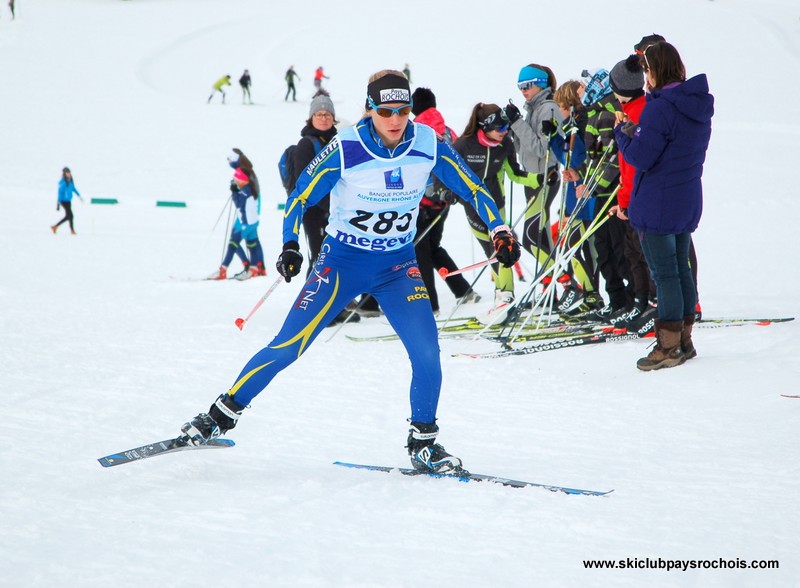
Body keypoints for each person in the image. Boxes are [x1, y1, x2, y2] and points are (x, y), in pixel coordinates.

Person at [181, 70, 521, 474]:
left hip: (398, 268)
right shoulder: (346, 146)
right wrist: (290, 244)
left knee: (428, 354)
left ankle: (423, 443)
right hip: (342, 264)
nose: (395, 120)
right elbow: (299, 197)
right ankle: (219, 416)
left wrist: (500, 230)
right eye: (385, 111)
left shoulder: (428, 143)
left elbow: (473, 189)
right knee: (289, 346)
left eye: (403, 110)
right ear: (369, 109)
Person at [614, 41, 713, 370]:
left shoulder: (660, 107)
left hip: (659, 200)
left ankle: (668, 347)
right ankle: (684, 341)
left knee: (665, 273)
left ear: (657, 70)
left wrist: (623, 136)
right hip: (685, 196)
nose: (645, 80)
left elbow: (642, 156)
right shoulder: (694, 103)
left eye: (647, 71)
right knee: (680, 269)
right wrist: (638, 134)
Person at [452, 103, 542, 324]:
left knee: (502, 249)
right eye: (499, 128)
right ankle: (503, 297)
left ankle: (505, 298)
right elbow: (447, 172)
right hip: (472, 207)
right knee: (492, 252)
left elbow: (515, 173)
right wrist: (445, 192)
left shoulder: (505, 144)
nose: (504, 132)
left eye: (506, 128)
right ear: (485, 127)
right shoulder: (464, 145)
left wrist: (538, 178)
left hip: (496, 205)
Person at [410, 86, 479, 315]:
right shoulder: (447, 130)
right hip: (444, 201)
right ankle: (463, 291)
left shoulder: (415, 130)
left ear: (414, 108)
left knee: (420, 250)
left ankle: (430, 306)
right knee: (433, 247)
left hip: (421, 202)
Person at [503, 64, 566, 307]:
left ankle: (567, 281)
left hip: (545, 179)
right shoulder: (534, 109)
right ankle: (551, 291)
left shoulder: (548, 108)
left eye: (526, 86)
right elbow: (525, 150)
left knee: (530, 237)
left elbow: (542, 148)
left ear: (540, 83)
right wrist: (512, 127)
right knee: (540, 237)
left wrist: (518, 123)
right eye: (520, 87)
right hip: (533, 179)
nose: (523, 91)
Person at [607, 55, 658, 326]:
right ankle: (641, 300)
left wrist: (624, 200)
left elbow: (630, 165)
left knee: (640, 251)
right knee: (634, 251)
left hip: (639, 195)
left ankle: (651, 302)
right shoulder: (637, 109)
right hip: (639, 194)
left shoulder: (636, 113)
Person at [208, 149, 263, 280]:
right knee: (252, 243)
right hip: (251, 219)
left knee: (234, 243)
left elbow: (240, 203)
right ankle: (254, 268)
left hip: (246, 221)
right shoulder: (246, 178)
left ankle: (225, 269)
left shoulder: (245, 183)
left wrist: (234, 191)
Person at [51, 167, 83, 235]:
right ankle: (72, 230)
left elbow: (73, 188)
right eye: (67, 173)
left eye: (69, 173)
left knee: (69, 216)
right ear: (64, 174)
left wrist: (79, 195)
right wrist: (58, 203)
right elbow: (60, 193)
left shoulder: (70, 181)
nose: (69, 174)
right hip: (63, 201)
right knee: (70, 216)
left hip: (68, 201)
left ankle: (55, 226)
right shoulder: (63, 183)